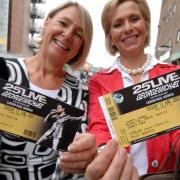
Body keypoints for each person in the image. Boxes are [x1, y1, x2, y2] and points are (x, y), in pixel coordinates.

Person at [0, 1, 97, 180]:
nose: (67, 34)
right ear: (46, 23)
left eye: (78, 34)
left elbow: (76, 164)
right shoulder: (4, 71)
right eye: (63, 23)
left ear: (81, 47)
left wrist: (87, 153)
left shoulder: (81, 93)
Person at [87, 0, 180, 179]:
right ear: (110, 35)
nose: (128, 28)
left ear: (146, 24)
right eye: (118, 24)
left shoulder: (173, 75)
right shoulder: (98, 81)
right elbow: (99, 128)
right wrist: (103, 152)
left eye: (134, 19)